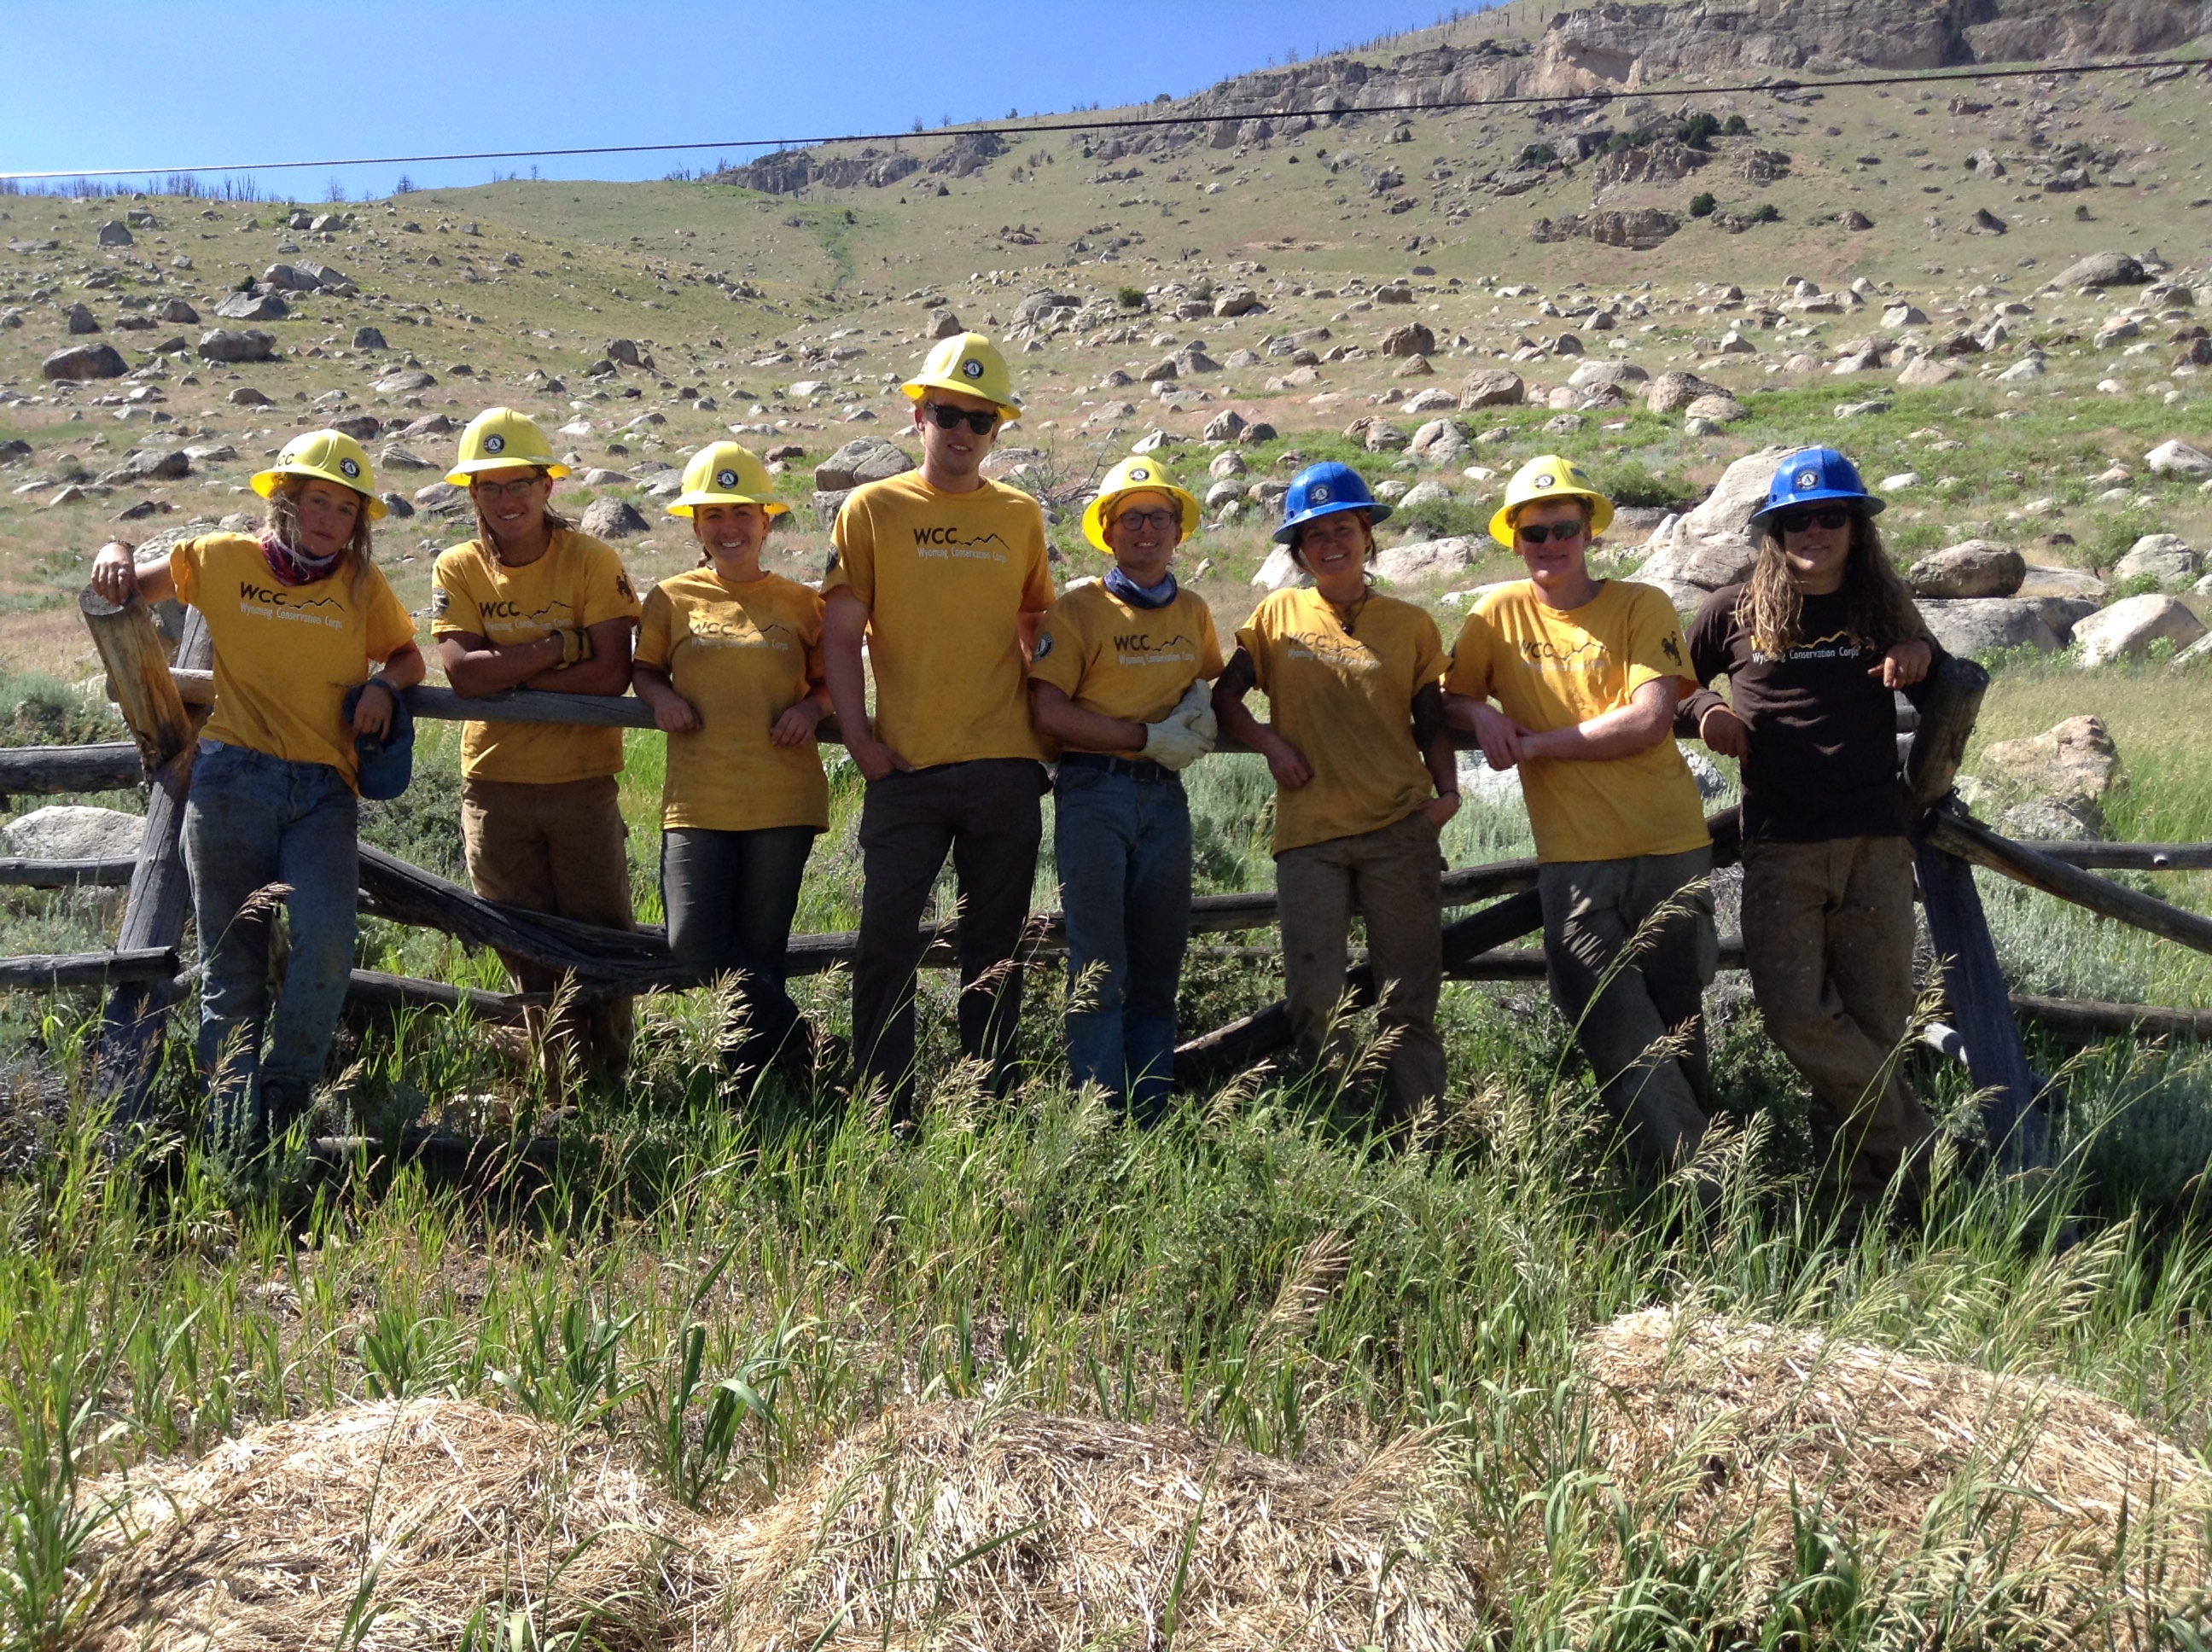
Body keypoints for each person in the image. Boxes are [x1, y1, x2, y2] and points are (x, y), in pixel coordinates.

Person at [88, 431, 425, 1153]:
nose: (330, 519)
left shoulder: (360, 584)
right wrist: (115, 548)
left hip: (324, 791)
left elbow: (408, 655)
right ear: (286, 500)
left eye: (346, 508)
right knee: (231, 964)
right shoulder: (220, 558)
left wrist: (383, 685)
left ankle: (285, 1098)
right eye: (318, 501)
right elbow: (132, 582)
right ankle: (228, 1132)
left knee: (328, 943)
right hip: (232, 782)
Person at [1443, 455, 1714, 1178]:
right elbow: (1449, 694)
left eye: (1564, 528)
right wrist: (1479, 713)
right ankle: (1698, 1176)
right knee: (1603, 1011)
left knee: (1676, 1015)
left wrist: (1532, 745)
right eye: (1535, 533)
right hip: (1574, 853)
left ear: (1590, 532)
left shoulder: (1641, 604)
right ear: (1515, 540)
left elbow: (1648, 721)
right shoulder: (1495, 615)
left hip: (1665, 841)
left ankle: (1685, 1178)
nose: (1551, 543)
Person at [1682, 448, 1941, 1206]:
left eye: (1831, 516)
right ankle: (1922, 1148)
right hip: (1781, 841)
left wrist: (1919, 650)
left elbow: (1941, 675)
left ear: (1857, 528)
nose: (1814, 531)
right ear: (1774, 531)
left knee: (1874, 1022)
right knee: (1797, 1018)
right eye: (1798, 519)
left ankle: (1857, 1202)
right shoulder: (1731, 609)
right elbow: (1669, 685)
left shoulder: (1881, 605)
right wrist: (1707, 708)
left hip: (1875, 842)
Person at [821, 333, 1057, 1119]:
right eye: (949, 414)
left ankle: (983, 1103)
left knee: (995, 950)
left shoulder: (1020, 515)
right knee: (886, 941)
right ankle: (885, 1109)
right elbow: (840, 633)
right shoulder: (872, 508)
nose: (963, 431)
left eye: (980, 419)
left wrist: (1054, 720)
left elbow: (1036, 625)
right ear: (918, 415)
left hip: (1004, 767)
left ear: (996, 430)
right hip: (906, 765)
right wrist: (859, 740)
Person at [1213, 462, 1458, 1123]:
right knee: (1316, 997)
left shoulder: (1411, 623)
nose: (1330, 544)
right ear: (1298, 551)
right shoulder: (1276, 615)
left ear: (1367, 535)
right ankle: (1347, 1124)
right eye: (1313, 535)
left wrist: (1449, 796)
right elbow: (1225, 699)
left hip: (1399, 827)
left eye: (1342, 529)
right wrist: (1270, 744)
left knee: (1408, 998)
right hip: (1310, 835)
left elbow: (1432, 720)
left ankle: (1419, 1133)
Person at [432, 408, 642, 1091]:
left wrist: (509, 672)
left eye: (519, 483)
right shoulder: (458, 566)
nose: (507, 499)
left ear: (547, 486)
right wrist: (560, 645)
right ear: (472, 494)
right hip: (495, 784)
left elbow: (611, 674)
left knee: (599, 932)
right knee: (520, 936)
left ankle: (611, 1075)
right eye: (490, 486)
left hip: (582, 782)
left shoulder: (592, 560)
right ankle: (556, 1079)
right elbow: (464, 675)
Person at [1027, 456, 1223, 1120]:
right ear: (1108, 532)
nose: (1147, 530)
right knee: (1099, 964)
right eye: (1131, 518)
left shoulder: (1193, 611)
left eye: (1159, 517)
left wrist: (1200, 709)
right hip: (1094, 792)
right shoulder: (1078, 610)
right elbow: (1048, 713)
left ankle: (1149, 1113)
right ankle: (1097, 1118)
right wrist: (1144, 737)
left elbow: (1207, 681)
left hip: (1165, 799)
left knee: (1159, 964)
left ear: (1178, 529)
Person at [631, 442, 830, 1089]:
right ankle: (813, 1047)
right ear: (695, 527)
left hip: (782, 797)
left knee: (761, 950)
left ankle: (755, 1089)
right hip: (698, 799)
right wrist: (661, 698)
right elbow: (644, 670)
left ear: (767, 522)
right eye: (712, 515)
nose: (729, 527)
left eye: (743, 513)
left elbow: (831, 682)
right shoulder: (670, 597)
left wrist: (811, 708)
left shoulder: (802, 603)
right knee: (692, 942)